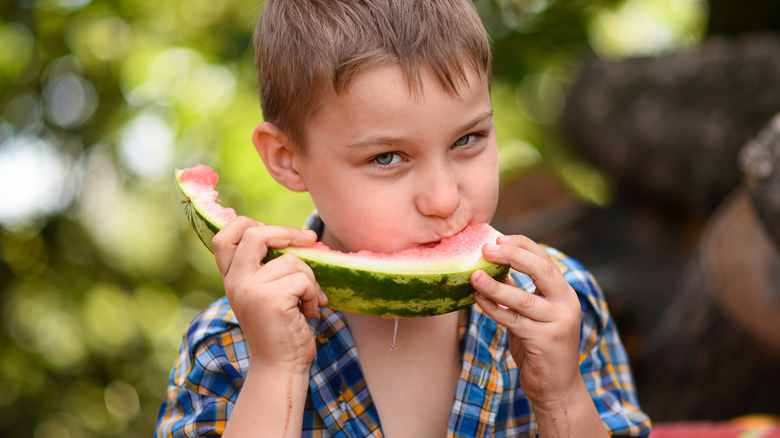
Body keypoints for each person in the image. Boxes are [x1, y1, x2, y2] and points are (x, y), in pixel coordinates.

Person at [156, 0, 652, 436]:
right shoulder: (227, 345)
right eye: (387, 158)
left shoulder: (561, 305)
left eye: (467, 140)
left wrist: (561, 398)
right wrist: (275, 371)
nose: (442, 198)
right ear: (287, 158)